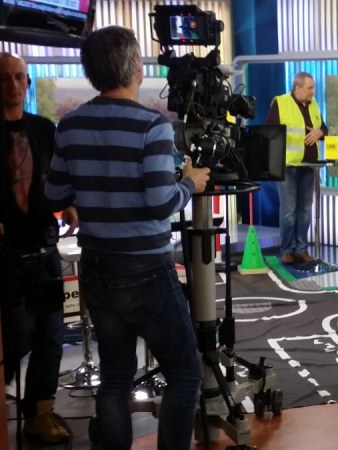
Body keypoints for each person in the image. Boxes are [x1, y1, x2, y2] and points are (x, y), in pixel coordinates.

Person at [44, 26, 209, 450]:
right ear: (136, 66)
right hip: (145, 268)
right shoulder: (152, 126)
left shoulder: (69, 124)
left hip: (97, 265)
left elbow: (55, 195)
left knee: (115, 377)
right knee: (185, 372)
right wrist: (190, 183)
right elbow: (160, 203)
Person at [0, 52, 77, 443]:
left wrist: (71, 205)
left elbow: (59, 180)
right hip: (4, 260)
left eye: (19, 78)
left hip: (45, 252)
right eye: (4, 78)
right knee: (11, 342)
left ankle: (39, 415)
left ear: (28, 83)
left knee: (50, 337)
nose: (13, 85)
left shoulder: (44, 129)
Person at [265, 71, 328, 265]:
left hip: (309, 167)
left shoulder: (313, 104)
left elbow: (324, 128)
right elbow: (269, 132)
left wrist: (319, 132)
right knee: (289, 212)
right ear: (297, 88)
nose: (313, 92)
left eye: (313, 88)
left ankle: (301, 249)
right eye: (310, 88)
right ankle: (287, 250)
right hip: (288, 166)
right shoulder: (281, 102)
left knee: (305, 211)